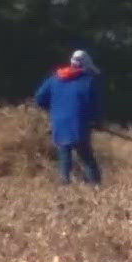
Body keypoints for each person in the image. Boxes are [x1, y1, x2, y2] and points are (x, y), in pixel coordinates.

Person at [34, 49, 103, 186]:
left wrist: (55, 109)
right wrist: (97, 121)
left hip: (59, 124)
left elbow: (39, 98)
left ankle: (65, 187)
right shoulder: (87, 81)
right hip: (79, 125)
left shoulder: (54, 79)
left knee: (64, 158)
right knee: (86, 157)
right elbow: (94, 105)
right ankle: (96, 187)